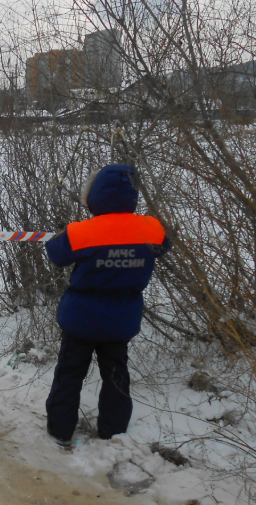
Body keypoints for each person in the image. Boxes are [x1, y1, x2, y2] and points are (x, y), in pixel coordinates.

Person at [44, 164, 171, 446]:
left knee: (69, 374)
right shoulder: (151, 228)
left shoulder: (82, 232)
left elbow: (55, 254)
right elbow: (165, 245)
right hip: (121, 319)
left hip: (80, 318)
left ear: (94, 196)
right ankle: (113, 432)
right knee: (117, 375)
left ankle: (60, 429)